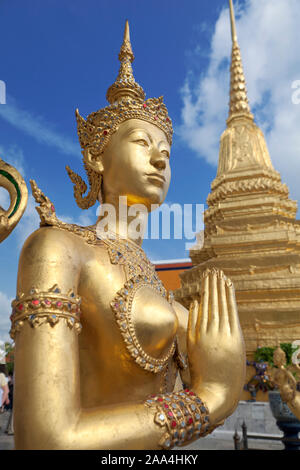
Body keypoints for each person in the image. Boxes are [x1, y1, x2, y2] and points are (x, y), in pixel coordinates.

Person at [11, 22, 245, 450]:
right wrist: (211, 399)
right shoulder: (57, 250)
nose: (160, 158)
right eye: (142, 141)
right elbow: (45, 438)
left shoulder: (150, 273)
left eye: (168, 153)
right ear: (96, 155)